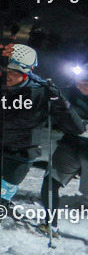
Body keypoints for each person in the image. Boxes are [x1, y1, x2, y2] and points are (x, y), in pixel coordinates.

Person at [0, 44, 85, 245]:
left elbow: (76, 127)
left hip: (20, 154)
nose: (5, 75)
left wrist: (59, 101)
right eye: (3, 70)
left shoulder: (41, 93)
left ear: (27, 73)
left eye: (13, 72)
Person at [39, 61, 88, 230]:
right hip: (71, 144)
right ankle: (50, 225)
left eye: (86, 83)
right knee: (50, 183)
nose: (81, 86)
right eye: (79, 81)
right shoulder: (71, 93)